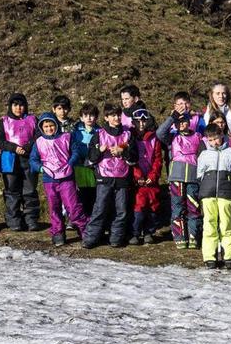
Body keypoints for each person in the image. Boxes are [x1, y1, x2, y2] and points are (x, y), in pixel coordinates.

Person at [83, 104, 138, 249]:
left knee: (122, 210)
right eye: (113, 115)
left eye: (118, 115)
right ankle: (90, 238)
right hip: (104, 176)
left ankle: (116, 238)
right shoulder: (99, 134)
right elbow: (90, 158)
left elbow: (134, 157)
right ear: (106, 118)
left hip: (123, 177)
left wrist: (123, 151)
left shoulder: (128, 134)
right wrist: (100, 151)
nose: (117, 118)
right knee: (100, 209)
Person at [28, 113, 88, 246]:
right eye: (46, 126)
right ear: (42, 128)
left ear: (56, 125)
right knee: (54, 207)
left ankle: (84, 230)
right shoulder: (39, 142)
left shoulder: (66, 137)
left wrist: (70, 163)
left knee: (73, 206)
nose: (49, 129)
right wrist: (41, 168)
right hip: (49, 179)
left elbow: (75, 151)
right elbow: (33, 159)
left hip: (66, 178)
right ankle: (58, 232)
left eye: (51, 125)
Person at [196, 124, 231, 269]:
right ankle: (209, 257)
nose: (214, 142)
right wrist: (205, 185)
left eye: (216, 139)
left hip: (226, 194)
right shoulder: (204, 155)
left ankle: (228, 256)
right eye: (210, 140)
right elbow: (199, 174)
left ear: (222, 135)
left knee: (227, 224)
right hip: (208, 194)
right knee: (209, 224)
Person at [157, 110, 205, 249]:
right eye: (179, 122)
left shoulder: (197, 136)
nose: (182, 124)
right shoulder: (172, 137)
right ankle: (179, 237)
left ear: (189, 122)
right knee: (178, 208)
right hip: (176, 177)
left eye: (184, 121)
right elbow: (160, 133)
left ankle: (193, 237)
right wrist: (172, 118)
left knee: (193, 208)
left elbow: (202, 155)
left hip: (193, 177)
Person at [0, 92, 39, 231]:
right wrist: (14, 148)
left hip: (29, 159)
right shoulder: (3, 122)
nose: (18, 108)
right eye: (15, 105)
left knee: (30, 190)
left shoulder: (33, 119)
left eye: (21, 105)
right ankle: (13, 220)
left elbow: (38, 135)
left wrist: (28, 146)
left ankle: (31, 219)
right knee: (12, 191)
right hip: (10, 160)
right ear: (10, 106)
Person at [129, 109, 163, 245]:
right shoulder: (130, 137)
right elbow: (130, 159)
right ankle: (135, 233)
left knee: (153, 205)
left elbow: (158, 159)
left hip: (151, 179)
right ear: (134, 122)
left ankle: (149, 231)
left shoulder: (154, 138)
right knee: (139, 205)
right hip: (137, 180)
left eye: (144, 121)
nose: (141, 124)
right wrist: (138, 176)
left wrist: (153, 175)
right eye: (138, 121)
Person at [71, 103, 100, 216]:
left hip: (94, 166)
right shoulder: (75, 132)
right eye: (86, 115)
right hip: (80, 166)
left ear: (96, 117)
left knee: (93, 193)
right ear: (81, 117)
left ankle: (92, 218)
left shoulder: (100, 131)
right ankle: (79, 219)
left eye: (92, 115)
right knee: (81, 193)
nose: (89, 118)